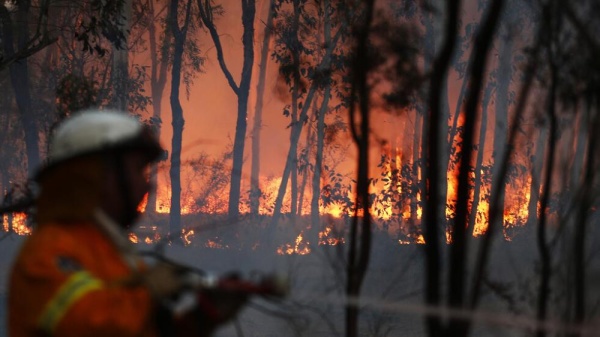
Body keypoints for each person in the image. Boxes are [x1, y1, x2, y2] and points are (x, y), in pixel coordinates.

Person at [8, 109, 246, 337]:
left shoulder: (113, 254)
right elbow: (89, 326)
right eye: (138, 171)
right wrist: (150, 291)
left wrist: (202, 319)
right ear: (99, 174)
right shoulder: (48, 251)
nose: (147, 186)